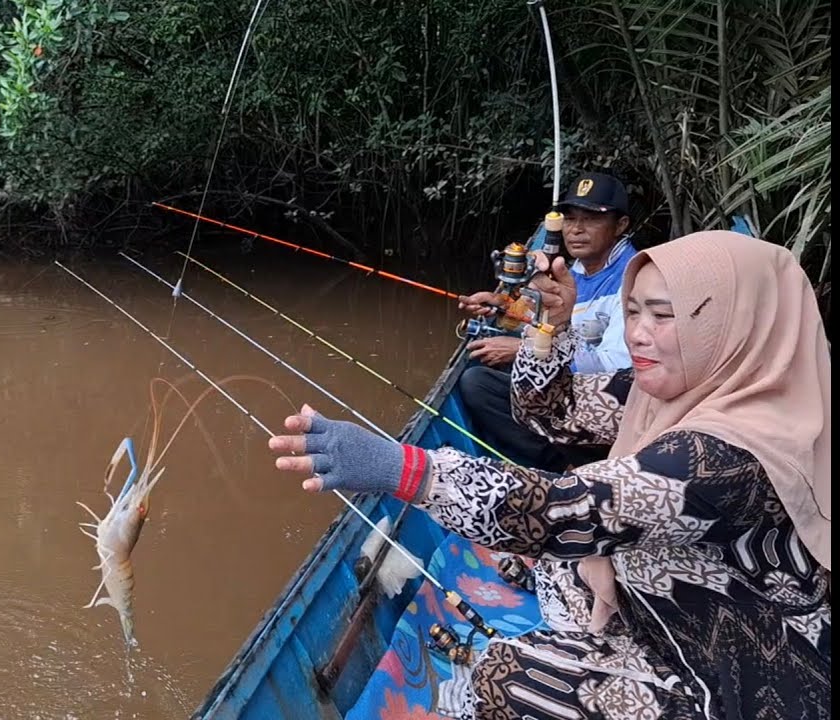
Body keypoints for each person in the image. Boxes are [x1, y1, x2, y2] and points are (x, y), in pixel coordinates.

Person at [269, 231, 831, 719]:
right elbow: (549, 409)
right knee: (568, 571)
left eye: (664, 316)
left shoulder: (734, 456)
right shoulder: (680, 388)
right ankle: (589, 652)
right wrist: (548, 327)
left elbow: (560, 513)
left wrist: (404, 468)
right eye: (633, 311)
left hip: (743, 690)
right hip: (674, 622)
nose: (637, 333)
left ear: (739, 325)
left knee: (501, 675)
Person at [457, 171, 637, 471]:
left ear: (620, 225)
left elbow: (618, 365)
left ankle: (565, 464)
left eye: (591, 219)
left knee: (477, 383)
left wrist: (521, 351)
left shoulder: (633, 278)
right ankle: (563, 457)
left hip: (604, 398)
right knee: (481, 380)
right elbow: (545, 320)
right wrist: (502, 309)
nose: (576, 230)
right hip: (563, 381)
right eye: (570, 218)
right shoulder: (573, 270)